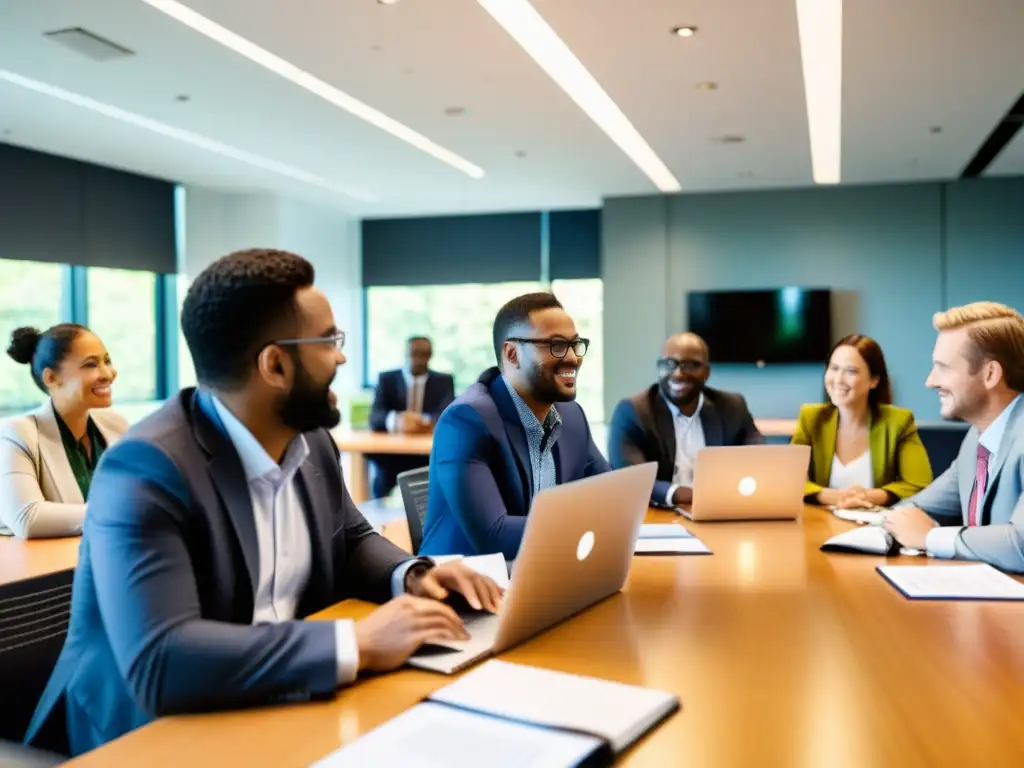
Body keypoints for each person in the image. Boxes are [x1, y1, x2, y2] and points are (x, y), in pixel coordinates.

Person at [24, 249, 502, 755]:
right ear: (274, 364)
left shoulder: (310, 438)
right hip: (147, 734)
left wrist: (413, 576)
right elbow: (162, 660)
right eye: (329, 341)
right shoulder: (145, 467)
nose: (341, 357)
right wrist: (355, 644)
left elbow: (352, 537)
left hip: (279, 697)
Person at [419, 292, 610, 559]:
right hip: (464, 584)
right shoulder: (465, 421)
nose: (572, 358)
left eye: (575, 344)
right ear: (512, 354)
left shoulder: (572, 416)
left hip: (540, 571)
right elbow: (494, 536)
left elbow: (611, 497)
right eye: (556, 345)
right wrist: (584, 524)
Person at [885, 302, 1024, 572]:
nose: (930, 381)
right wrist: (896, 526)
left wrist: (929, 537)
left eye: (943, 367)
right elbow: (914, 509)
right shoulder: (976, 440)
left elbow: (1020, 545)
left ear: (991, 374)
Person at [607, 332, 764, 507]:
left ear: (707, 372)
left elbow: (760, 457)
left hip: (721, 509)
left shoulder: (732, 407)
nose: (678, 374)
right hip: (659, 515)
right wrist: (680, 494)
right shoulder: (633, 412)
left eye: (689, 365)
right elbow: (631, 478)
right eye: (668, 364)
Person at [0, 324, 127, 538]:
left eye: (107, 361)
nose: (108, 374)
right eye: (91, 365)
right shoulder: (16, 434)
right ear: (50, 378)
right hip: (48, 568)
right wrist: (122, 513)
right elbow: (27, 518)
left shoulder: (117, 425)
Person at [792, 334, 933, 508]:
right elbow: (792, 480)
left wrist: (867, 497)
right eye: (834, 368)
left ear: (873, 380)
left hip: (875, 528)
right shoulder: (811, 418)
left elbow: (919, 484)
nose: (838, 379)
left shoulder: (898, 422)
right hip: (820, 525)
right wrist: (837, 497)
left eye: (851, 371)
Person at [367, 336, 455, 498]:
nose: (418, 359)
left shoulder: (444, 381)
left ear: (430, 356)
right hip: (392, 455)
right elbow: (375, 416)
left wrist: (423, 421)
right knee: (380, 480)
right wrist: (398, 420)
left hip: (426, 455)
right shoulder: (387, 379)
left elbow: (447, 414)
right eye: (413, 354)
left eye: (424, 354)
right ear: (405, 354)